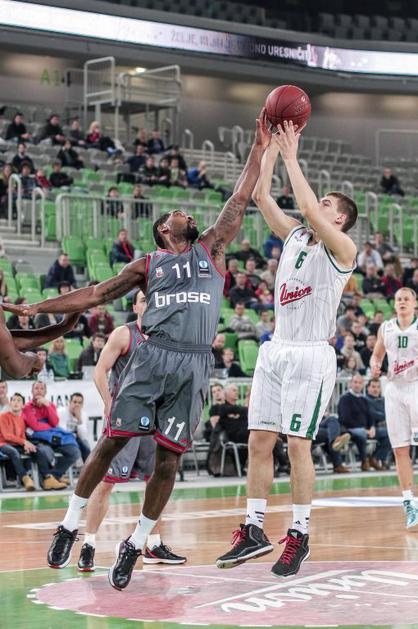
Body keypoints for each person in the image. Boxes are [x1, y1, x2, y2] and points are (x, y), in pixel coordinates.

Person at [10, 109, 271, 587]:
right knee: (112, 441)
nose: (187, 213)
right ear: (165, 229)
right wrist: (36, 308)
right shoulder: (147, 265)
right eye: (178, 214)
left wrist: (260, 145)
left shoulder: (211, 248)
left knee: (169, 459)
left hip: (194, 362)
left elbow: (240, 196)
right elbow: (93, 294)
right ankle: (69, 523)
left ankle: (136, 542)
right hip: (152, 355)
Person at [216, 120, 358, 578]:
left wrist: (293, 156)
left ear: (339, 219)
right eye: (323, 200)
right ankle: (253, 528)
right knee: (259, 440)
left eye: (329, 204)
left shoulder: (343, 249)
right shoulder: (296, 236)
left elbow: (307, 206)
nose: (320, 205)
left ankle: (299, 535)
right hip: (276, 349)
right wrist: (270, 147)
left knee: (297, 444)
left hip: (311, 356)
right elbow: (261, 197)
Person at [77, 290, 185, 571]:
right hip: (126, 418)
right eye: (143, 300)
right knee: (106, 481)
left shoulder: (167, 336)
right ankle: (88, 544)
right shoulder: (124, 334)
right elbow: (100, 371)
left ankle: (153, 544)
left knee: (155, 480)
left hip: (154, 419)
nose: (149, 304)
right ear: (135, 307)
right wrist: (108, 402)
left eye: (153, 299)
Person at [370, 287, 418, 528]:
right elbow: (377, 355)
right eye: (398, 299)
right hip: (394, 390)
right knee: (400, 448)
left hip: (416, 386)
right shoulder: (386, 328)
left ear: (415, 304)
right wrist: (375, 365)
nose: (402, 302)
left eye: (406, 299)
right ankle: (409, 502)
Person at [22, 381, 81, 489]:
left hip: (54, 439)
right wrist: (49, 427)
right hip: (39, 440)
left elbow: (54, 423)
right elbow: (35, 426)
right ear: (32, 391)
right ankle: (47, 479)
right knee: (45, 452)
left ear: (45, 392)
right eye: (36, 388)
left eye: (42, 388)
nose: (39, 391)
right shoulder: (27, 407)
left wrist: (48, 406)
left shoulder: (50, 405)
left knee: (75, 452)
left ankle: (54, 476)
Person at [0, 392, 54, 491]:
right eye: (13, 400)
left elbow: (22, 435)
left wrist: (26, 444)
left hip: (17, 444)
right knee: (13, 452)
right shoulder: (3, 416)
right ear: (10, 403)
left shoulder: (21, 418)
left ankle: (47, 478)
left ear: (22, 405)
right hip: (3, 444)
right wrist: (24, 442)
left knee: (35, 449)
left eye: (19, 400)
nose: (16, 402)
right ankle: (26, 479)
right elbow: (7, 436)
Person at [365, 378, 391, 470]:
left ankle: (380, 459)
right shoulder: (365, 400)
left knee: (393, 433)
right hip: (371, 428)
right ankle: (376, 459)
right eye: (373, 387)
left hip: (385, 426)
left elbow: (390, 412)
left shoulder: (383, 400)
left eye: (378, 387)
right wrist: (385, 415)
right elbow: (372, 414)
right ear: (368, 388)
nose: (376, 389)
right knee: (389, 433)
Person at [59, 393, 91, 463]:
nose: (77, 405)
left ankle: (88, 468)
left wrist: (79, 419)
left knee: (86, 446)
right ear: (70, 402)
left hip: (76, 438)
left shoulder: (83, 415)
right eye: (75, 402)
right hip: (64, 438)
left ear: (82, 405)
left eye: (79, 403)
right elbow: (62, 430)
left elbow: (83, 436)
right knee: (75, 449)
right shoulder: (61, 412)